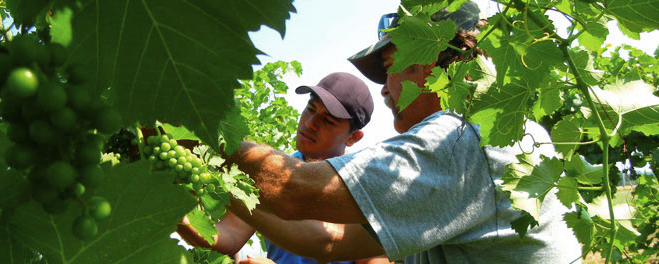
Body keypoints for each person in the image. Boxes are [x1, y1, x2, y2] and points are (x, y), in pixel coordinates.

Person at [223, 2, 582, 263]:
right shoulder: (500, 130)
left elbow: (293, 191)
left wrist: (208, 135)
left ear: (428, 63)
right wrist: (218, 179)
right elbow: (328, 240)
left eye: (390, 67)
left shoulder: (461, 140)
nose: (384, 89)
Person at [177, 72, 392, 264]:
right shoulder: (271, 176)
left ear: (353, 137)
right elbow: (230, 234)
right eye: (310, 109)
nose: (310, 123)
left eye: (327, 120)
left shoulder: (365, 190)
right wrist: (179, 214)